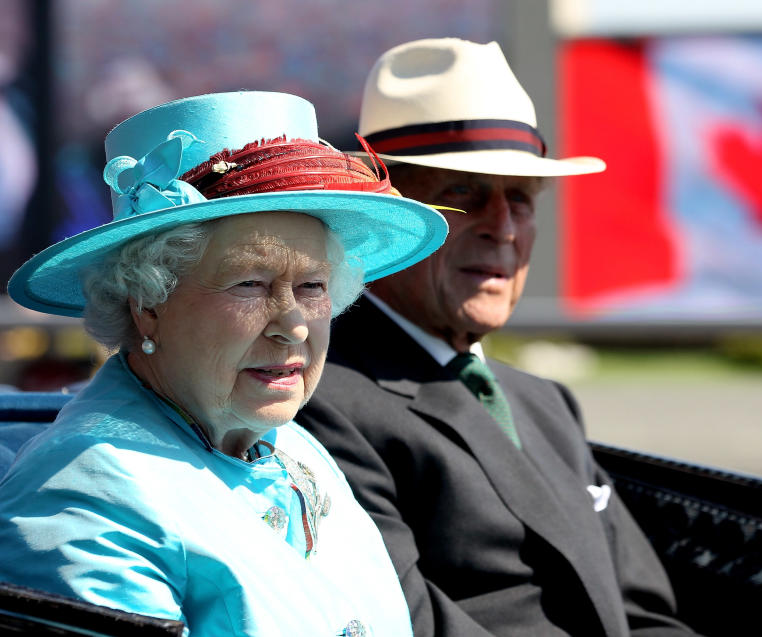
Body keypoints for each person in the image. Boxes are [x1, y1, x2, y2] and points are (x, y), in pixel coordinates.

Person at [0, 91, 449, 636]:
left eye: (312, 286)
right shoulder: (84, 493)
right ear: (147, 304)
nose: (294, 323)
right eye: (250, 284)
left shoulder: (295, 446)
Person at [298, 39, 698, 636]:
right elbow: (405, 623)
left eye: (520, 197)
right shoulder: (316, 397)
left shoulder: (545, 402)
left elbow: (643, 614)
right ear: (388, 215)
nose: (503, 228)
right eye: (463, 191)